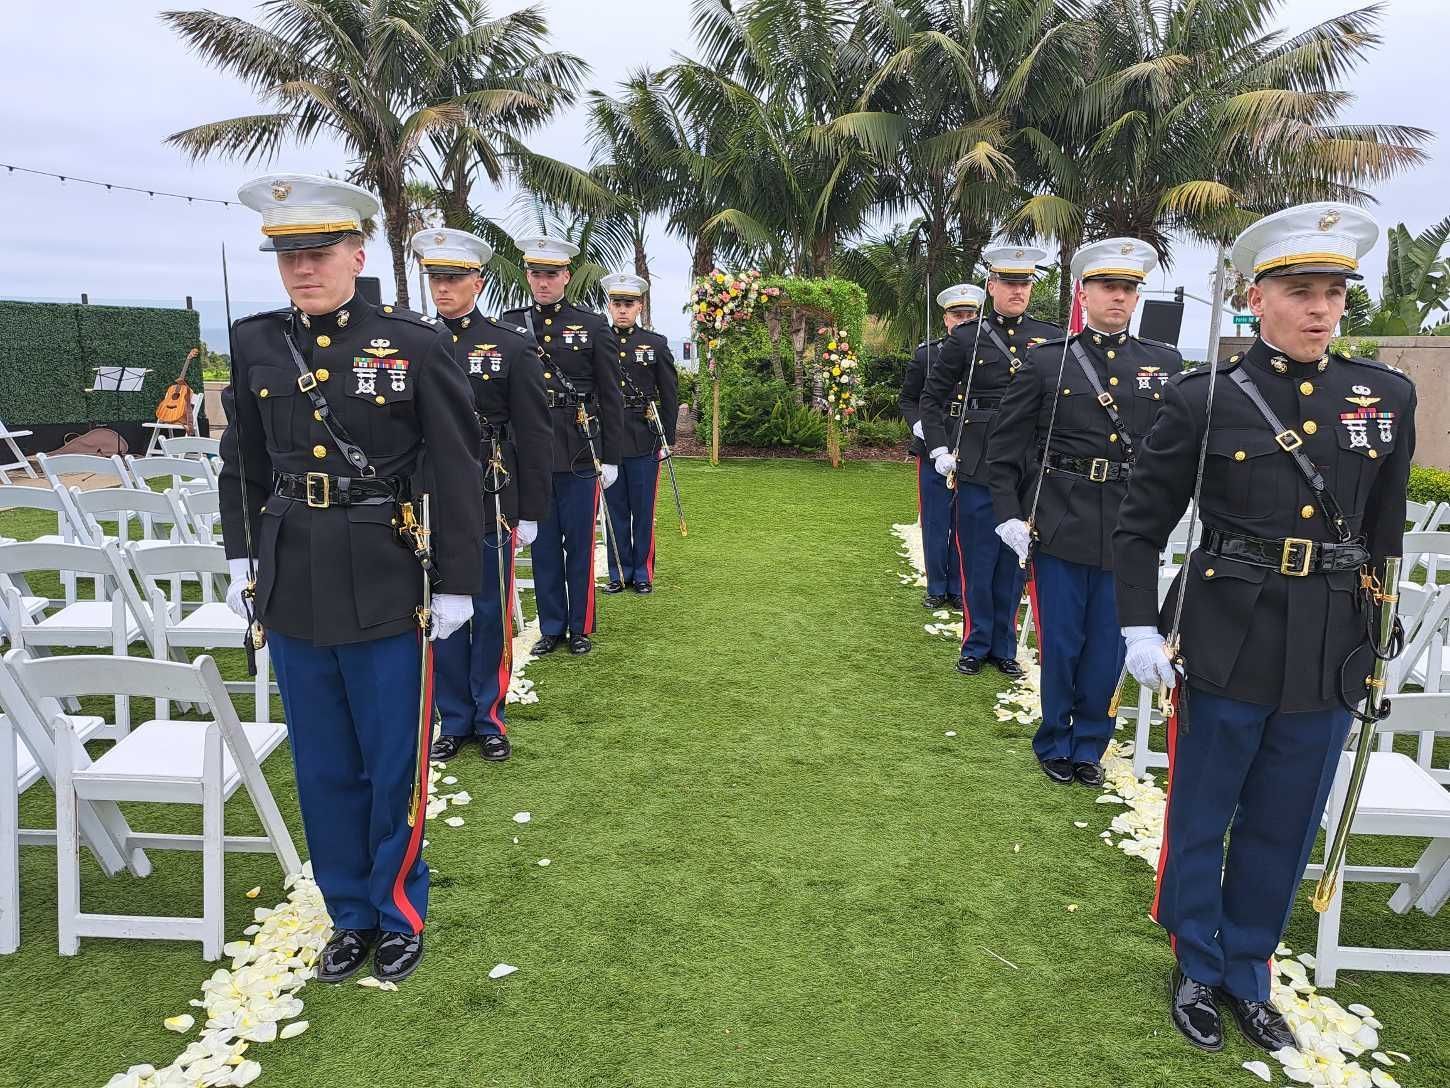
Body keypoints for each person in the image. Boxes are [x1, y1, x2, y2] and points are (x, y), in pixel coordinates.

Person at [1114, 204, 1412, 1054]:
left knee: (1286, 819)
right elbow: (1141, 525)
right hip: (1226, 628)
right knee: (1205, 809)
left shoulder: (1385, 395)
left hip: (1328, 642)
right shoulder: (1205, 397)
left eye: (1334, 294)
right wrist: (1140, 626)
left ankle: (1249, 970)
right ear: (1257, 297)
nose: (1320, 310)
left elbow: (1382, 535)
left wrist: (1376, 634)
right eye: (1300, 291)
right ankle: (1196, 967)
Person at [222, 174, 483, 984]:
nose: (303, 268)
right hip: (293, 571)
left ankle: (399, 908)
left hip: (383, 569)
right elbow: (246, 462)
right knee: (324, 759)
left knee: (389, 757)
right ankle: (349, 913)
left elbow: (457, 463)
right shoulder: (258, 341)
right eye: (288, 254)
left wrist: (457, 584)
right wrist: (242, 557)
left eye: (319, 251)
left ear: (357, 252)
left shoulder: (413, 341)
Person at [987, 238, 1182, 786]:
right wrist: (1008, 513)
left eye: (1129, 288)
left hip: (1129, 521)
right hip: (1062, 516)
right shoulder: (1049, 361)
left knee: (1108, 642)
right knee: (1064, 638)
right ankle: (1054, 738)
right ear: (1084, 292)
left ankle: (1090, 743)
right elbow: (1005, 447)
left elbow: (1174, 451)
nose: (1119, 297)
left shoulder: (1163, 364)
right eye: (1108, 287)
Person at [411, 227, 552, 764]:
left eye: (452, 278)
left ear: (478, 280)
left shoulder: (510, 346)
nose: (442, 289)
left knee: (490, 608)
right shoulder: (411, 340)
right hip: (431, 492)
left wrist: (531, 508)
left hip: (489, 489)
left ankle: (488, 716)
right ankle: (453, 715)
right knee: (441, 610)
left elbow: (534, 432)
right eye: (435, 278)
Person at [921, 249, 1063, 674]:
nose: (1018, 290)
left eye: (1025, 283)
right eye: (1010, 283)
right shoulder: (967, 338)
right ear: (992, 287)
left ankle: (1003, 646)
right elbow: (931, 399)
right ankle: (975, 642)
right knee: (979, 558)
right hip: (979, 460)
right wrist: (940, 449)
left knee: (1015, 561)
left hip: (1028, 464)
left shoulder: (1051, 338)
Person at [502, 238, 624, 656]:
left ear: (566, 277)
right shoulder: (511, 324)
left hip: (578, 445)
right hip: (530, 447)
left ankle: (580, 626)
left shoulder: (592, 325)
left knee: (580, 542)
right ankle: (551, 626)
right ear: (527, 276)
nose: (543, 281)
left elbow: (611, 395)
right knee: (544, 542)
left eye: (551, 274)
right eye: (536, 273)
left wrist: (611, 456)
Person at [898, 284, 977, 611]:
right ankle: (937, 585)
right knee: (935, 520)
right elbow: (908, 398)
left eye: (970, 314)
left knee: (966, 520)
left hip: (972, 444)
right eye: (957, 315)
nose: (963, 320)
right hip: (933, 443)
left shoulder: (987, 353)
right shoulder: (927, 353)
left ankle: (959, 587)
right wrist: (919, 425)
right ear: (945, 319)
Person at [600, 272, 678, 595]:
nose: (622, 309)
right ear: (609, 305)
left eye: (628, 304)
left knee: (642, 509)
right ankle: (619, 572)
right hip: (610, 437)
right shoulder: (598, 342)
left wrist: (667, 438)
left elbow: (669, 393)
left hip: (644, 435)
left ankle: (642, 573)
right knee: (615, 510)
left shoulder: (655, 344)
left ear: (640, 306)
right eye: (617, 303)